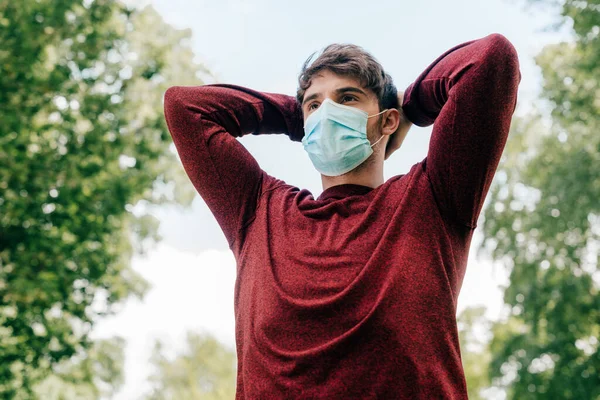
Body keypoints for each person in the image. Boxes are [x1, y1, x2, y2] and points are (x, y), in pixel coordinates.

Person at [163, 32, 521, 399]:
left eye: (347, 98)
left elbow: (490, 59)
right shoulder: (258, 211)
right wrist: (296, 115)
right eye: (315, 106)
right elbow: (185, 107)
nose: (328, 114)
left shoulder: (432, 199)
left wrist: (408, 107)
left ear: (386, 121)